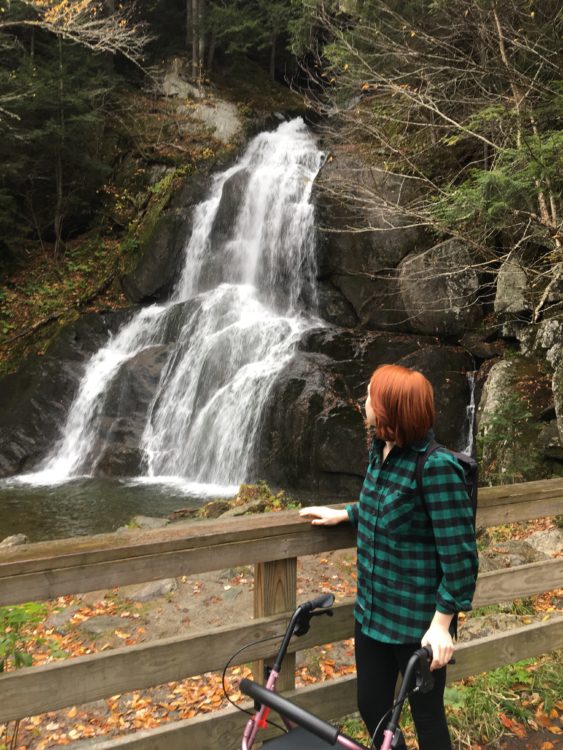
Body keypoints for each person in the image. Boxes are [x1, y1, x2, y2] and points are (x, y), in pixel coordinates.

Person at [299, 364, 478, 750]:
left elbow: (461, 558)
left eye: (370, 397)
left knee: (427, 718)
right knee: (372, 707)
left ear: (390, 409)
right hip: (372, 613)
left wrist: (442, 625)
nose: (364, 402)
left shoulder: (435, 468)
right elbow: (385, 506)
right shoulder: (380, 451)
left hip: (418, 626)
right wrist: (346, 514)